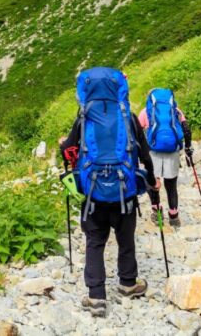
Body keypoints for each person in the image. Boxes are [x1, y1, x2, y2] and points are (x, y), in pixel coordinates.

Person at [59, 68, 159, 316]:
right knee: (125, 240)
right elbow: (144, 153)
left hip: (93, 194)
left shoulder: (83, 118)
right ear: (118, 90)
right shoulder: (129, 116)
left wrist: (64, 146)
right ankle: (127, 284)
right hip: (125, 192)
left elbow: (68, 149)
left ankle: (96, 297)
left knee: (95, 242)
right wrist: (153, 182)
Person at [138, 89, 192, 227]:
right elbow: (186, 129)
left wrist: (139, 155)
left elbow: (137, 133)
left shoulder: (146, 112)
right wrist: (188, 149)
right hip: (172, 151)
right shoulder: (175, 111)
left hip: (153, 152)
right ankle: (174, 216)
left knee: (153, 183)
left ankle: (157, 212)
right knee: (171, 185)